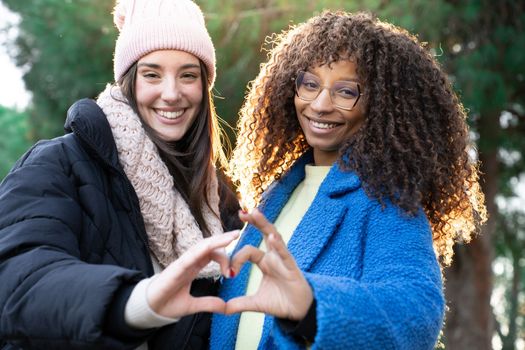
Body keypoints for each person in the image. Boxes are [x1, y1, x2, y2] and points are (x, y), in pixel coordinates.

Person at [210, 10, 487, 350]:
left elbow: (417, 316)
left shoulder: (387, 201)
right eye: (309, 84)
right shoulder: (278, 193)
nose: (320, 105)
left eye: (345, 92)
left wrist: (311, 306)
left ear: (382, 104)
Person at [0, 0, 242, 349]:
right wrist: (137, 302)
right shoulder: (57, 164)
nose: (171, 93)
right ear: (129, 80)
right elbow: (16, 280)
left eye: (188, 75)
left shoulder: (217, 200)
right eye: (152, 74)